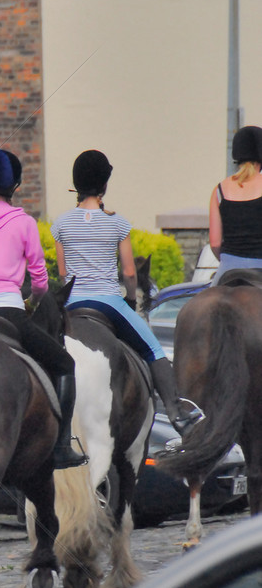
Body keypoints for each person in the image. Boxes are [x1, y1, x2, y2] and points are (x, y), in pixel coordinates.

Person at [0, 148, 87, 469]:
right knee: (64, 364)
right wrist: (35, 300)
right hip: (11, 310)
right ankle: (62, 446)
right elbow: (39, 277)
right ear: (15, 186)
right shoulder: (23, 222)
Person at [52, 149, 203, 435]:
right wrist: (131, 299)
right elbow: (130, 274)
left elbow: (62, 274)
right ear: (104, 186)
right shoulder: (117, 222)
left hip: (72, 305)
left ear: (77, 185)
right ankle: (176, 413)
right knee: (154, 349)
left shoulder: (61, 224)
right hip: (108, 302)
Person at [209, 124, 262, 282]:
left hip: (228, 267)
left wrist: (229, 263)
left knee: (206, 299)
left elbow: (215, 242)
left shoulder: (219, 190)